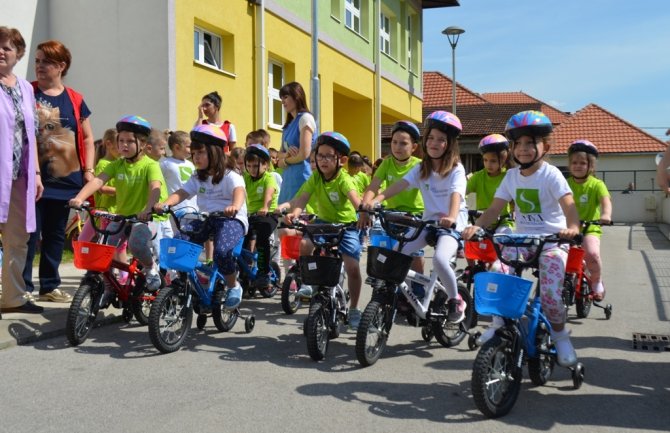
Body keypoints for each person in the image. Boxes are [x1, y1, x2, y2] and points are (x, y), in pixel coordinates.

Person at [462, 110, 581, 367]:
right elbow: (494, 209)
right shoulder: (511, 176)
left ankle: (561, 337)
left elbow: (569, 205)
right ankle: (497, 325)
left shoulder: (551, 174)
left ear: (544, 146)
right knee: (497, 270)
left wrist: (572, 227)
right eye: (518, 144)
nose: (523, 149)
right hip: (523, 239)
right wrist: (477, 226)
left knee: (550, 295)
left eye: (530, 143)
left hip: (552, 240)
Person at [363, 112, 468, 323]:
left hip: (451, 224)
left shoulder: (456, 169)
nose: (434, 143)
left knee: (439, 260)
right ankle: (403, 296)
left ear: (449, 144)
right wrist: (377, 200)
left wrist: (451, 217)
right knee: (396, 254)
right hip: (428, 223)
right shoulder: (422, 168)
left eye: (440, 139)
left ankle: (456, 299)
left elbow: (456, 195)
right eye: (430, 138)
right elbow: (400, 185)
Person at [24, 39, 95, 303]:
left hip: (67, 180)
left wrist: (88, 170)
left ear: (61, 66)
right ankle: (23, 288)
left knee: (55, 235)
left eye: (46, 62)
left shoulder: (75, 99)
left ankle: (49, 286)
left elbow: (87, 138)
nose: (39, 66)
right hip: (34, 179)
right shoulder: (27, 92)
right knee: (30, 234)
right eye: (37, 60)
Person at [68, 115, 168, 292]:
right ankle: (108, 287)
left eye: (130, 141)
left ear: (143, 145)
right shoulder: (117, 165)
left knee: (137, 245)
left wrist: (148, 209)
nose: (124, 145)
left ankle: (150, 268)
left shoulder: (150, 165)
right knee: (103, 250)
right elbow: (98, 181)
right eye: (121, 140)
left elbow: (155, 187)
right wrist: (79, 198)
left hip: (145, 218)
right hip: (122, 216)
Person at [276, 132, 363, 329]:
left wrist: (363, 212)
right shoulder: (315, 177)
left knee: (352, 267)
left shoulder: (344, 179)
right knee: (305, 244)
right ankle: (307, 284)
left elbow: (355, 200)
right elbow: (302, 198)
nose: (322, 160)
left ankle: (355, 309)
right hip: (323, 223)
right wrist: (295, 214)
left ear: (341, 160)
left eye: (328, 156)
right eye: (319, 156)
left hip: (345, 226)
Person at [154, 125, 247, 309]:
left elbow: (239, 191)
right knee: (180, 240)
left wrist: (234, 206)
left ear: (215, 153)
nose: (195, 157)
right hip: (208, 218)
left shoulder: (229, 175)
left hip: (231, 220)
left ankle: (233, 286)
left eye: (201, 153)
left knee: (221, 252)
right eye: (194, 153)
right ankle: (186, 281)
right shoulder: (198, 176)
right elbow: (182, 192)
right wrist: (166, 203)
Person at [0, 26, 44, 314]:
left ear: (19, 54)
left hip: (20, 175)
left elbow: (32, 134)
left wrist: (37, 173)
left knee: (18, 237)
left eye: (7, 47)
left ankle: (13, 298)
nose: (1, 52)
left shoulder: (26, 88)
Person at [361, 121, 426, 295]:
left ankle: (418, 287)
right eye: (394, 142)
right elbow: (373, 187)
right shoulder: (387, 163)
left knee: (414, 252)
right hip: (390, 213)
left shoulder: (420, 165)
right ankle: (379, 274)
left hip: (414, 215)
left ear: (414, 147)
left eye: (404, 143)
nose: (397, 147)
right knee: (377, 234)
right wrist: (365, 205)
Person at [566, 139, 612, 301]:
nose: (578, 166)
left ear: (590, 166)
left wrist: (605, 215)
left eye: (582, 163)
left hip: (590, 228)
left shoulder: (596, 184)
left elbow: (605, 201)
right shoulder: (565, 184)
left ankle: (597, 281)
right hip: (569, 228)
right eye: (574, 162)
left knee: (591, 254)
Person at [243, 144, 278, 289]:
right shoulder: (246, 177)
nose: (251, 169)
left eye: (255, 166)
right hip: (250, 215)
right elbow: (239, 191)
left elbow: (269, 193)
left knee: (262, 237)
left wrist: (265, 207)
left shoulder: (268, 178)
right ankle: (244, 271)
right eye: (248, 166)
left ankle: (264, 273)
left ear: (265, 165)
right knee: (241, 238)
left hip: (268, 215)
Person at [276, 82, 315, 203]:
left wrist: (285, 161)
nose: (283, 101)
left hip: (303, 177)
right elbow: (279, 154)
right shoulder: (287, 126)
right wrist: (286, 155)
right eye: (281, 98)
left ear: (297, 96)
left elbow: (304, 154)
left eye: (286, 97)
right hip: (288, 181)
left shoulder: (305, 118)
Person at [466, 133, 514, 231]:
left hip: (503, 223)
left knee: (504, 241)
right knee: (466, 239)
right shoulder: (477, 177)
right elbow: (465, 193)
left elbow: (514, 203)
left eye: (493, 161)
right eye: (485, 160)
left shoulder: (508, 177)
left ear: (504, 160)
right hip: (480, 221)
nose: (488, 164)